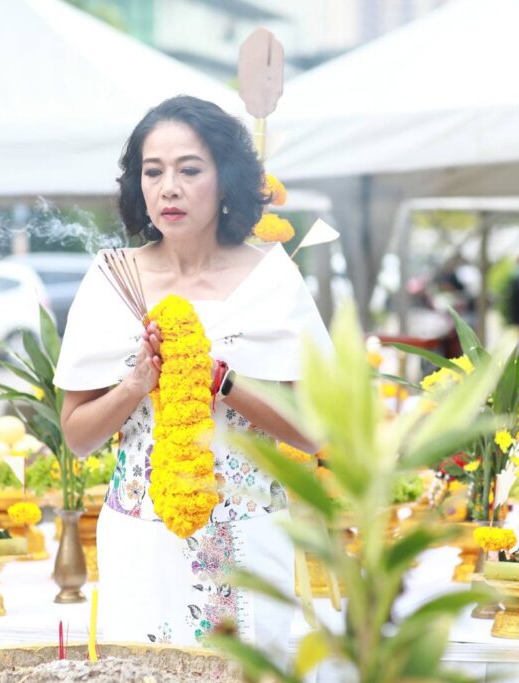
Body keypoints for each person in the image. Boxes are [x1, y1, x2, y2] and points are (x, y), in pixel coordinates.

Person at [53, 96, 331, 659]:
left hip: (247, 533)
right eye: (153, 172)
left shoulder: (273, 281)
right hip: (142, 535)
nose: (169, 189)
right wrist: (134, 385)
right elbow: (77, 437)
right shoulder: (111, 279)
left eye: (190, 170)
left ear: (226, 178)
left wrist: (221, 381)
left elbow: (317, 433)